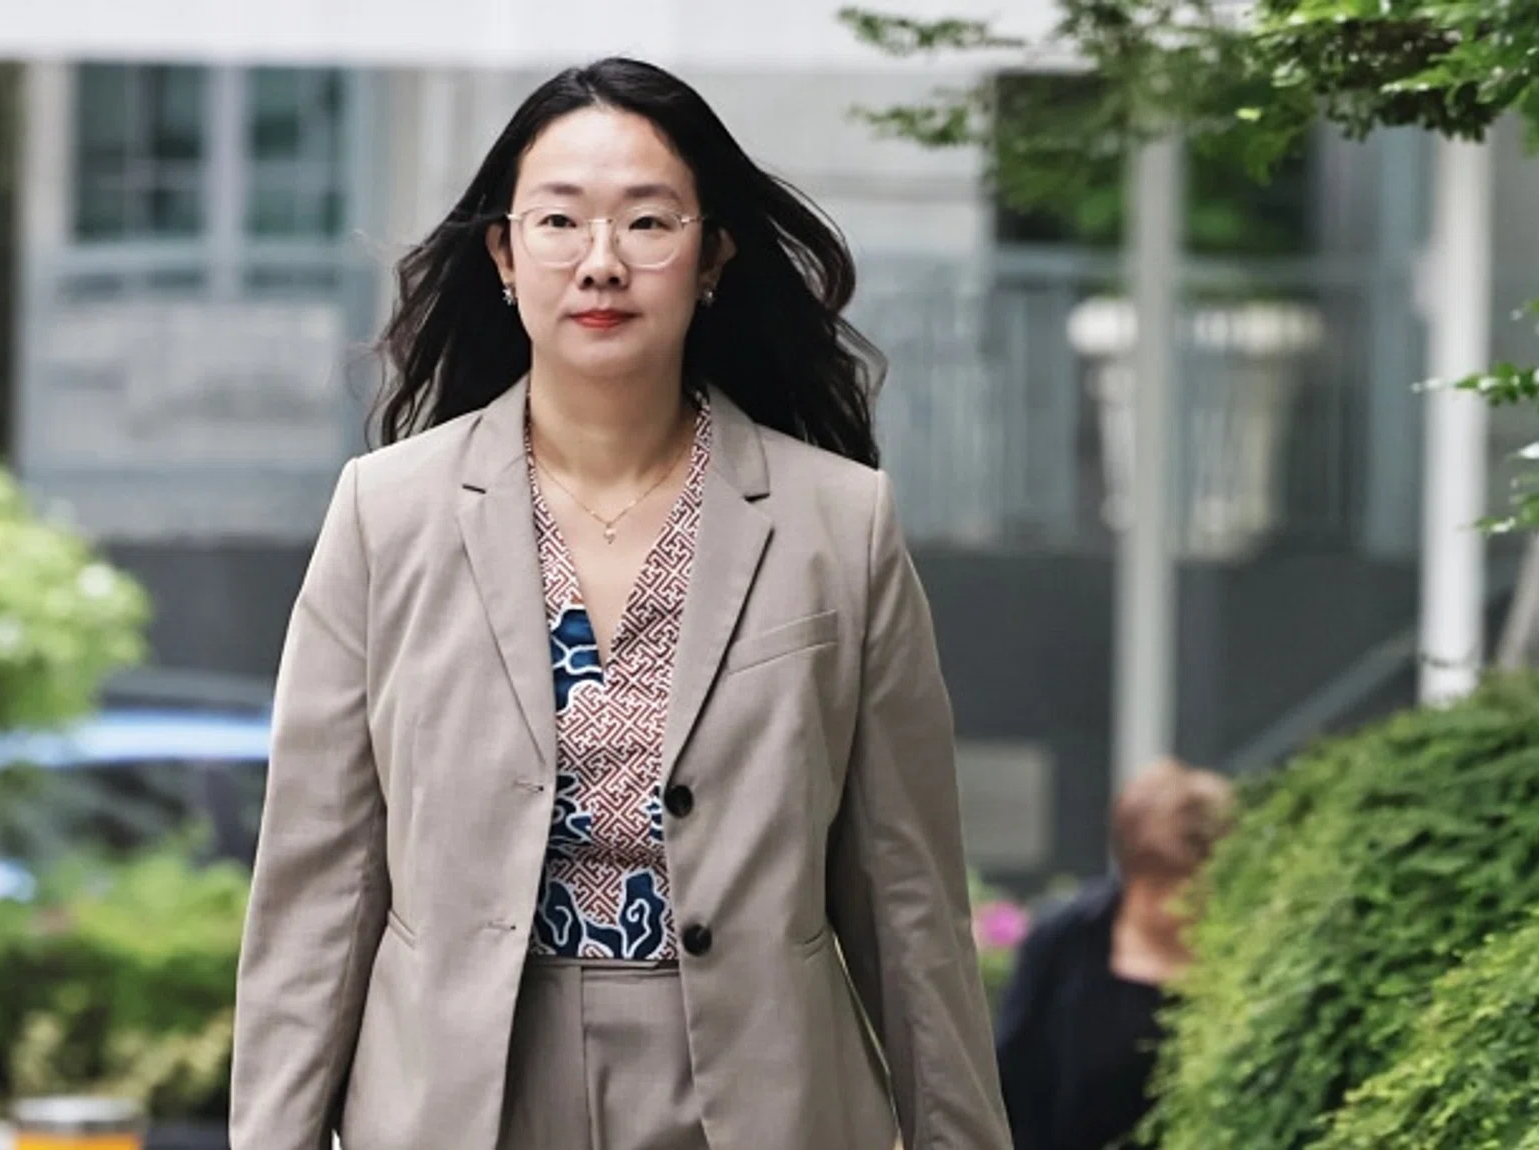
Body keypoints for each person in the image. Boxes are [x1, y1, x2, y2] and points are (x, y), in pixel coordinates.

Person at [230, 56, 1011, 1150]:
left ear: (711, 257)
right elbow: (319, 884)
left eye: (648, 222)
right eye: (559, 221)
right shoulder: (386, 513)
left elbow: (907, 901)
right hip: (462, 1096)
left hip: (758, 1094)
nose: (601, 263)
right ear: (505, 254)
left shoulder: (841, 522)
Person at [992, 758, 1236, 1150]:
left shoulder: (1242, 952)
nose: (1175, 905)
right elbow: (1011, 1075)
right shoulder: (1064, 940)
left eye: (1190, 884)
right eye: (1159, 884)